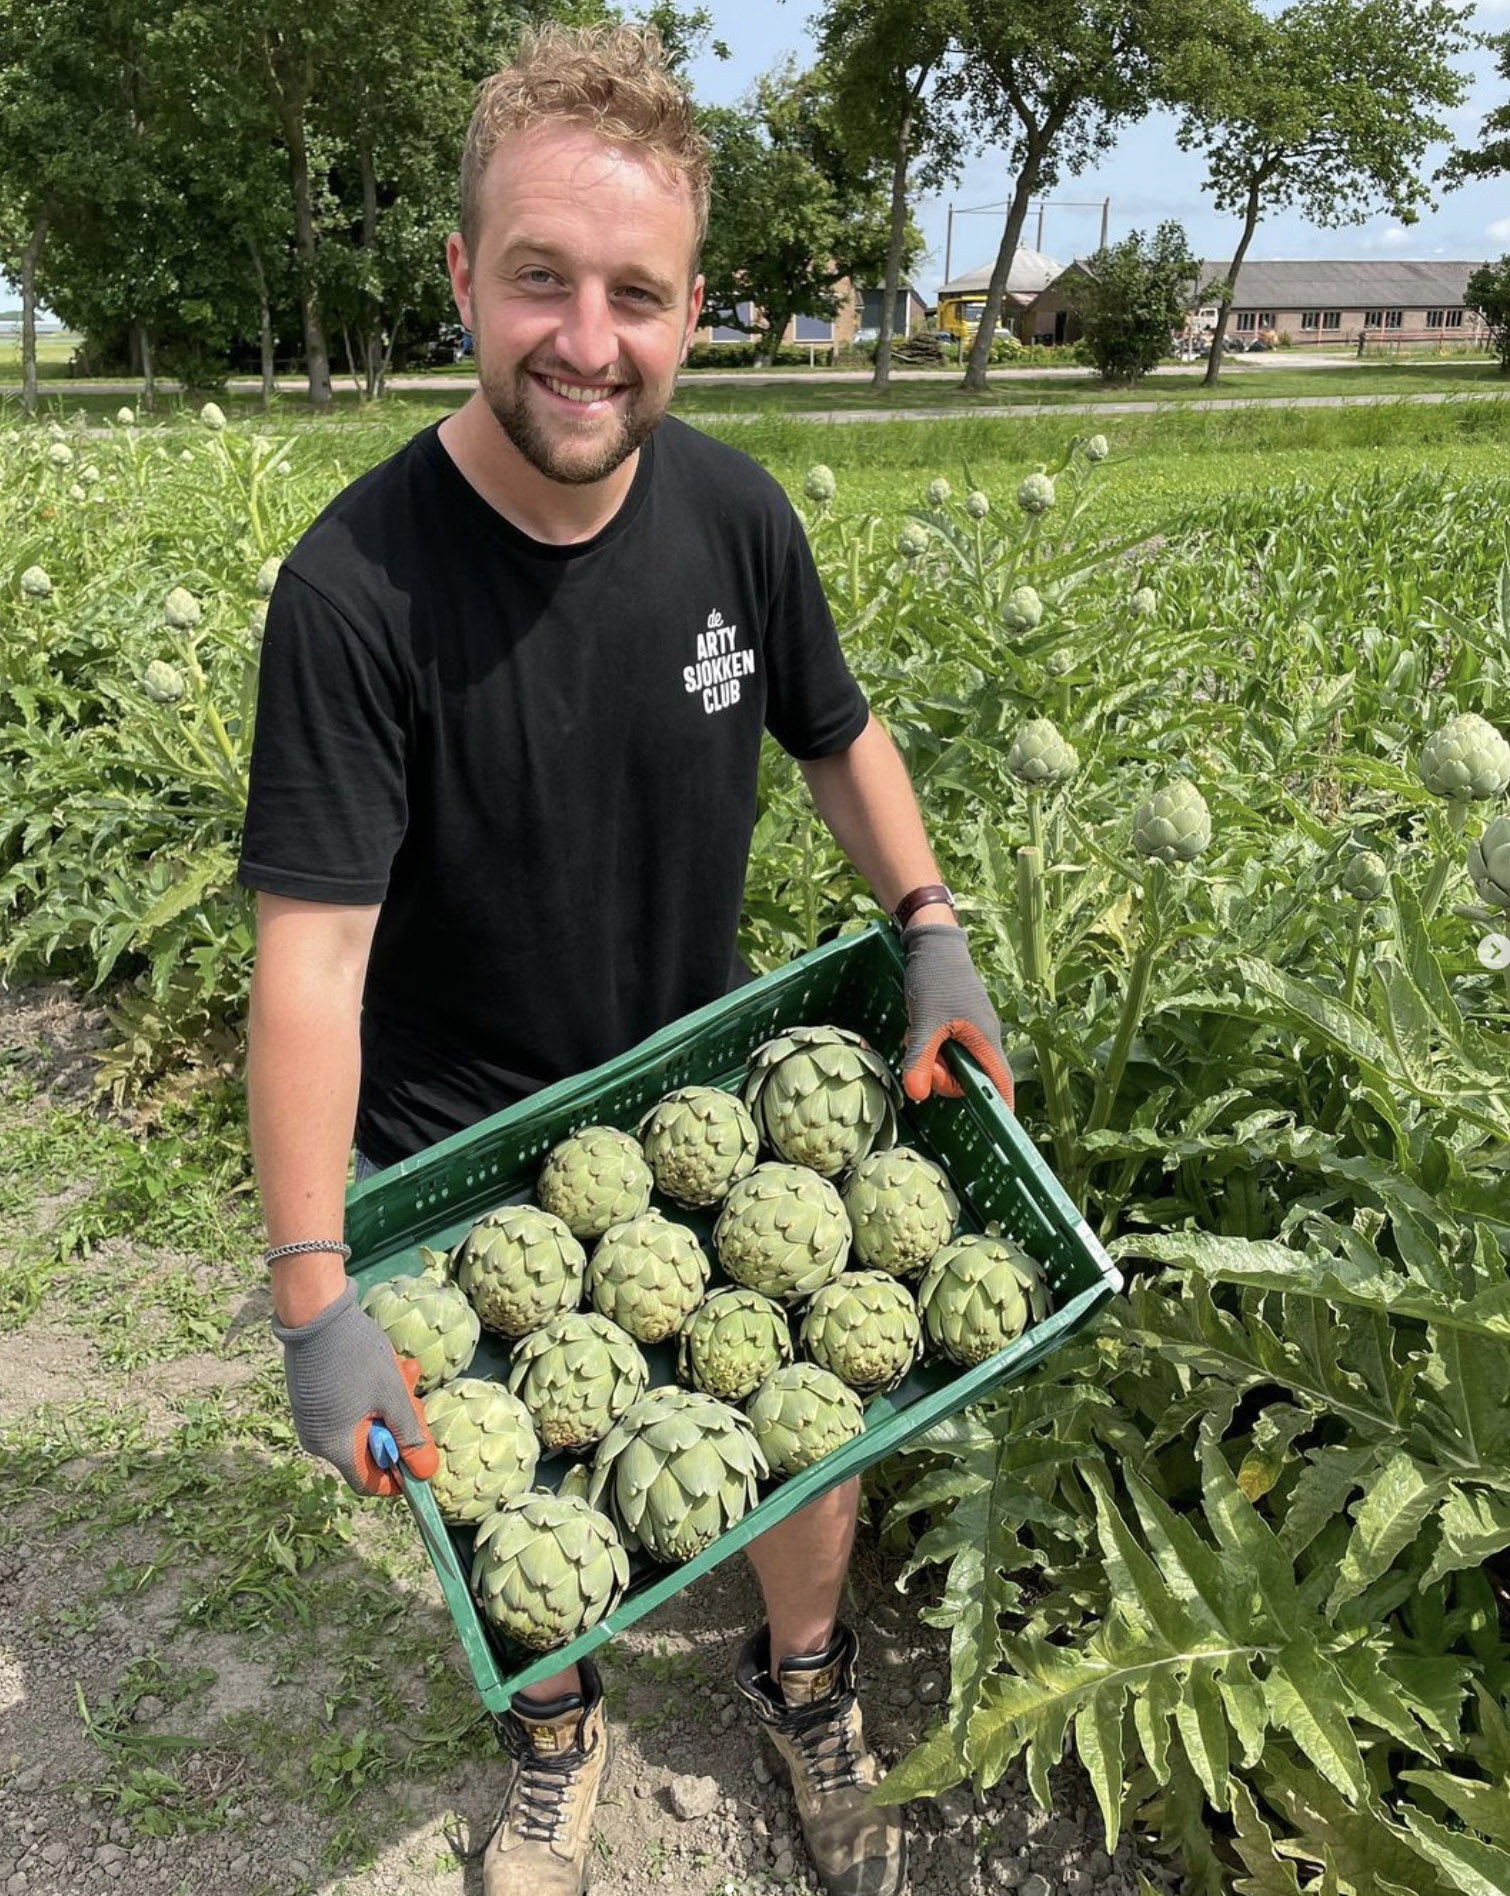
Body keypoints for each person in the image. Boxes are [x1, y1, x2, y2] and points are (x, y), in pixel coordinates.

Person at [238, 25, 1014, 1896]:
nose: (587, 340)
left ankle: (804, 1677)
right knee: (501, 1488)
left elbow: (838, 735)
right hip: (465, 1130)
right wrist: (310, 1285)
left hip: (711, 1092)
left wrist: (932, 929)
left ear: (689, 313)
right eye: (540, 281)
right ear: (461, 280)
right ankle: (555, 1730)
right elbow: (313, 960)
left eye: (637, 295)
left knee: (815, 1414)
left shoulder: (735, 517)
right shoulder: (354, 593)